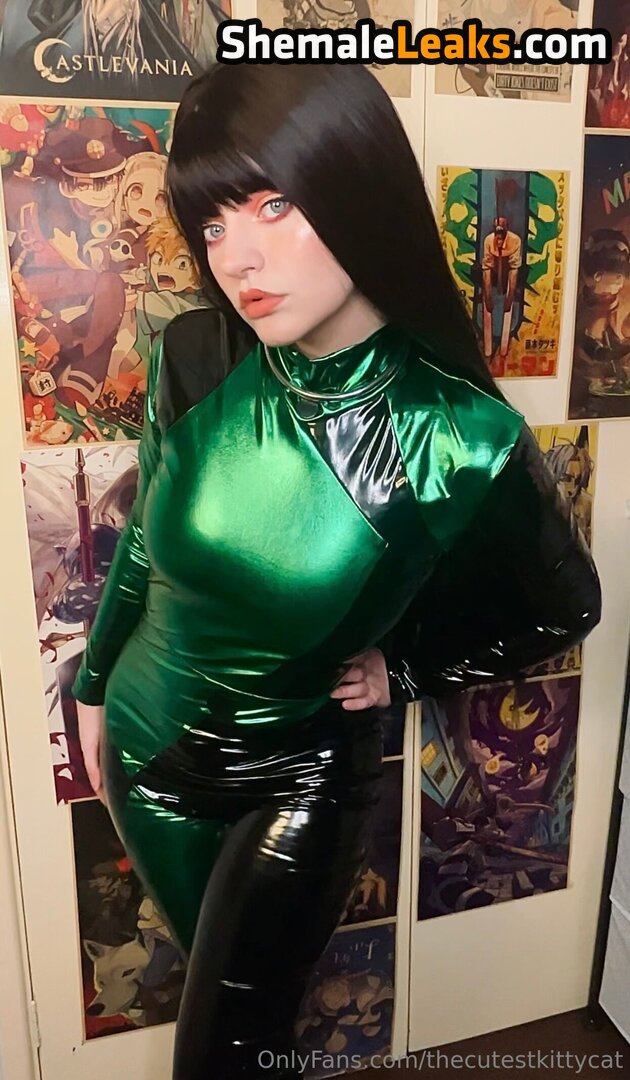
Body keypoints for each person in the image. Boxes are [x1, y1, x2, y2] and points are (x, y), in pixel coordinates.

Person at [72, 62, 602, 1080]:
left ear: (358, 188)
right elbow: (145, 541)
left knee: (224, 1054)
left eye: (274, 204)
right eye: (214, 223)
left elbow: (564, 605)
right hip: (143, 753)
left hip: (299, 777)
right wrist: (93, 690)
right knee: (251, 1030)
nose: (238, 257)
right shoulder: (199, 354)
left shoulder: (460, 435)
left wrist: (406, 670)